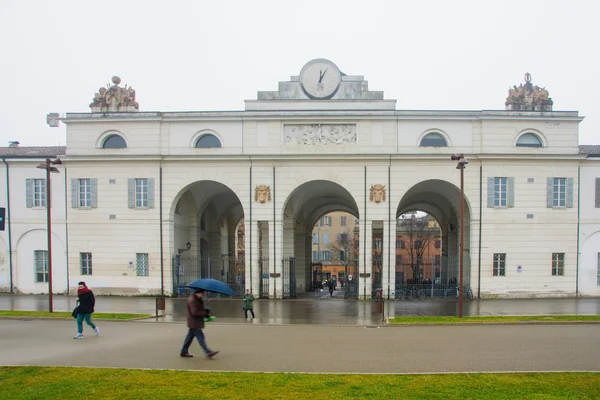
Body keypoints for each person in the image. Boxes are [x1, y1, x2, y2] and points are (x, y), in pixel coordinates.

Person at [180, 289, 219, 359]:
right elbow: (194, 312)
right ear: (198, 293)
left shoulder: (197, 299)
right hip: (194, 322)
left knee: (189, 337)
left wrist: (206, 312)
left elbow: (199, 309)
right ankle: (208, 352)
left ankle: (184, 351)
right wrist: (206, 313)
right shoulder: (192, 300)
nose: (203, 294)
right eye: (202, 293)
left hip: (195, 322)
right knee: (200, 337)